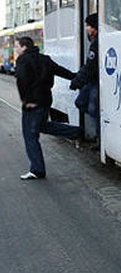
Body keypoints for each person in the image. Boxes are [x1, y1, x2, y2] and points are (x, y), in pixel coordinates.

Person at [15, 36, 81, 180]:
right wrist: (76, 78)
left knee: (30, 136)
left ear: (24, 47)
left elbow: (22, 81)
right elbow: (60, 70)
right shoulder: (45, 59)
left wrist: (27, 101)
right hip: (46, 100)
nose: (16, 49)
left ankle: (37, 170)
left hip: (33, 103)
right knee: (43, 126)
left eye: (17, 47)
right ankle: (77, 132)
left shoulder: (23, 60)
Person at [70, 13, 99, 121]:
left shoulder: (96, 44)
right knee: (81, 102)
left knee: (92, 109)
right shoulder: (95, 41)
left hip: (94, 81)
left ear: (94, 27)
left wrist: (76, 82)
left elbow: (90, 66)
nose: (86, 28)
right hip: (92, 81)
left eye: (88, 26)